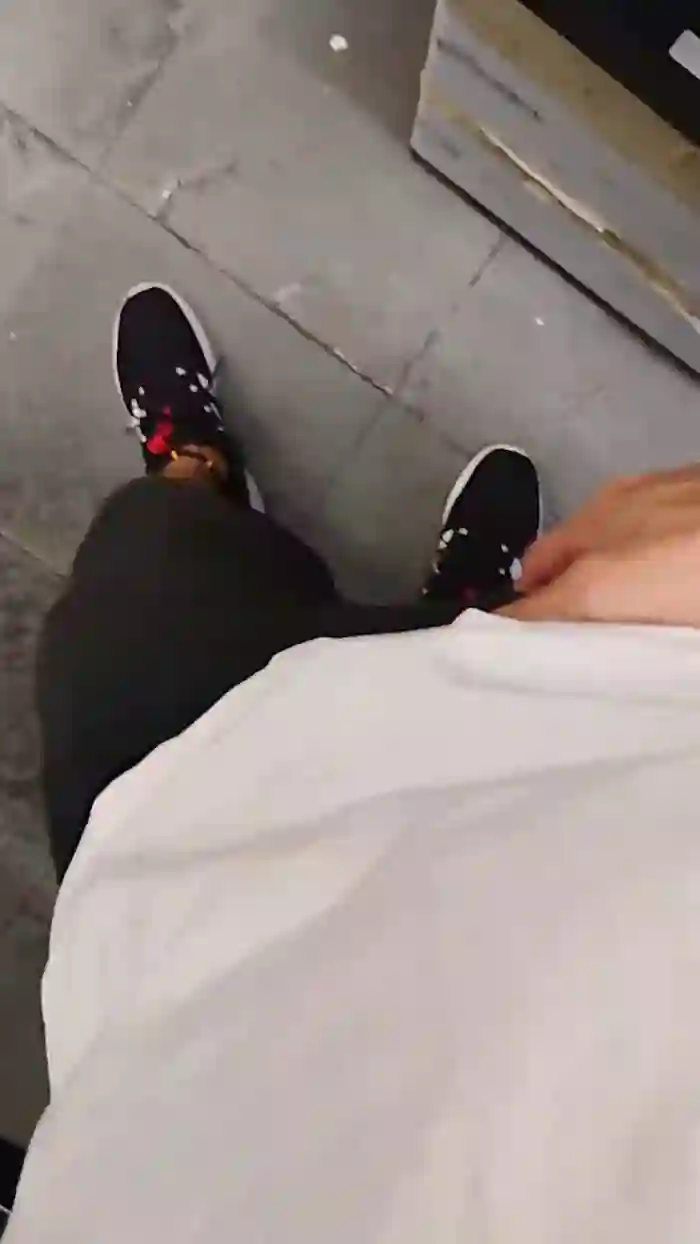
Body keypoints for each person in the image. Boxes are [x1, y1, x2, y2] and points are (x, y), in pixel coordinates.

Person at [8, 284, 700, 1241]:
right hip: (534, 763)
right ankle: (466, 614)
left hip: (181, 880)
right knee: (475, 667)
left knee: (143, 570)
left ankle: (198, 474)